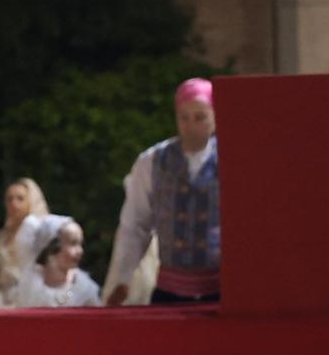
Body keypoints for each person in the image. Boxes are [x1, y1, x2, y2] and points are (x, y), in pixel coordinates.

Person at [108, 77, 220, 305]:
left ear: (215, 118)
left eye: (200, 117)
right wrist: (122, 278)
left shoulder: (231, 160)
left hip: (220, 289)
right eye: (184, 117)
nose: (191, 125)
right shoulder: (153, 162)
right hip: (171, 290)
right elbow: (135, 224)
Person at [0, 178, 65, 311]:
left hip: (34, 300)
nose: (14, 203)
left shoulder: (43, 237)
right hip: (1, 302)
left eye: (20, 198)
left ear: (31, 201)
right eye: (9, 199)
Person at [15, 220, 103, 308]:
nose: (80, 251)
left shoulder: (85, 288)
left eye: (80, 244)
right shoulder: (30, 284)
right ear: (52, 248)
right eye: (73, 244)